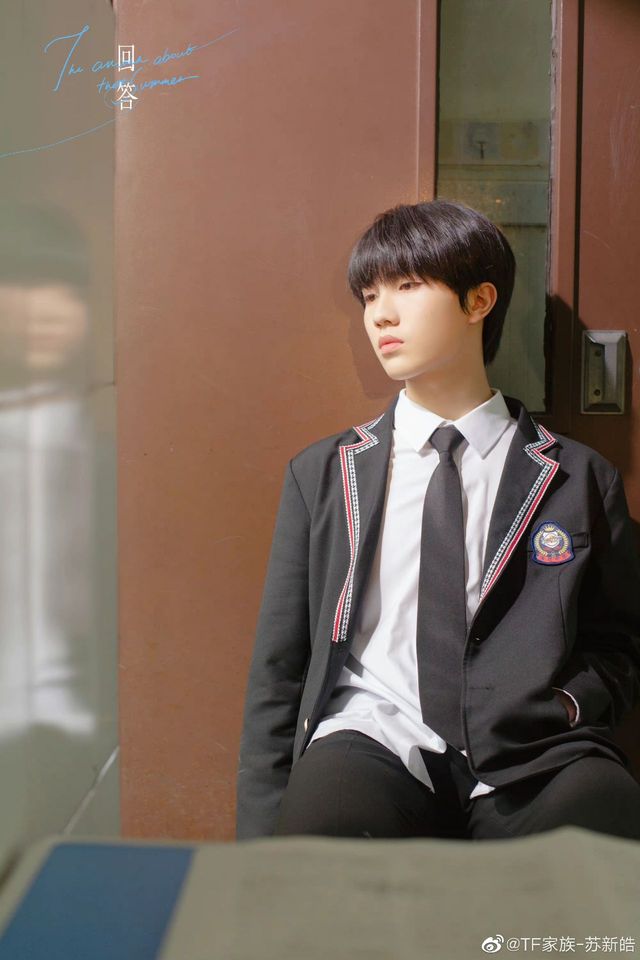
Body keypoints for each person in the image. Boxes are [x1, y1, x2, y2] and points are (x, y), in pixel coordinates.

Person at [236, 199, 640, 842]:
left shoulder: (578, 475)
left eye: (407, 285)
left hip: (533, 750)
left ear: (479, 301)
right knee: (323, 846)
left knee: (602, 828)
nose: (380, 314)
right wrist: (260, 845)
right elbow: (280, 666)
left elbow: (619, 641)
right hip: (371, 736)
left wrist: (568, 705)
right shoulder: (325, 473)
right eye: (370, 295)